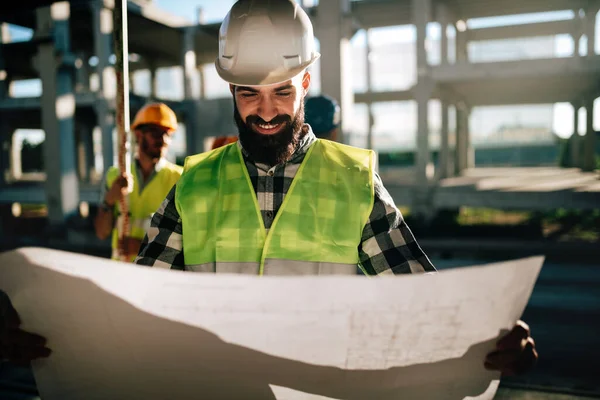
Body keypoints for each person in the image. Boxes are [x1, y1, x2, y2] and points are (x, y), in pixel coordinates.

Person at [0, 0, 537, 385]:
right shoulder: (193, 186)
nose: (265, 111)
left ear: (305, 83)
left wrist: (489, 343)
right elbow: (132, 313)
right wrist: (50, 333)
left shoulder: (354, 182)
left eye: (282, 90)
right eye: (248, 93)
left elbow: (425, 308)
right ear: (230, 89)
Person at [94, 102, 183, 261]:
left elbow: (186, 236)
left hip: (156, 274)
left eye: (167, 134)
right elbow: (101, 233)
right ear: (138, 135)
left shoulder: (179, 178)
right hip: (121, 273)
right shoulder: (115, 174)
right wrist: (109, 199)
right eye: (155, 133)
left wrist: (143, 246)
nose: (162, 139)